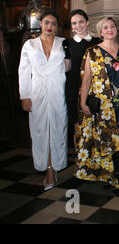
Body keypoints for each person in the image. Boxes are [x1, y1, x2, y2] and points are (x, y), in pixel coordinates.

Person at [74, 17, 119, 192]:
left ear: (116, 30)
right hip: (103, 105)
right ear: (100, 32)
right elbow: (86, 78)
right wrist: (82, 103)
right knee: (105, 139)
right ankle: (106, 173)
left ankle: (117, 172)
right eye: (105, 27)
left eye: (112, 26)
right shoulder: (93, 52)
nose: (110, 29)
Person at [18, 11, 69, 191]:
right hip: (37, 91)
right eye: (47, 22)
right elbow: (24, 71)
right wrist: (25, 96)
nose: (50, 27)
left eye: (54, 24)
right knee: (40, 130)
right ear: (41, 23)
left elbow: (69, 67)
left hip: (57, 91)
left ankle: (53, 168)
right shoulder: (30, 45)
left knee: (58, 128)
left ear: (57, 27)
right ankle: (45, 165)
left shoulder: (63, 44)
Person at [63, 10, 101, 148]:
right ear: (71, 26)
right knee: (77, 126)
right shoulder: (66, 43)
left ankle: (95, 161)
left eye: (81, 22)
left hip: (95, 89)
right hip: (73, 88)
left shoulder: (98, 42)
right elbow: (66, 68)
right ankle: (80, 161)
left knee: (96, 125)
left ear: (87, 22)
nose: (78, 25)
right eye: (74, 23)